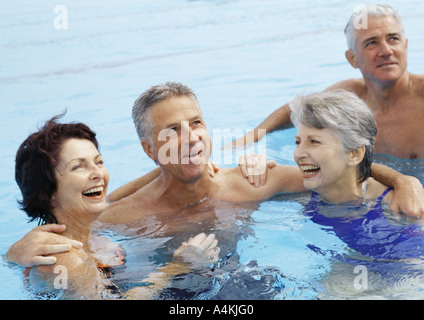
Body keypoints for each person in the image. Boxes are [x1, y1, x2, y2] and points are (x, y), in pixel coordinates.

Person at [7, 82, 424, 269]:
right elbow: (70, 225)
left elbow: (341, 172)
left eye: (197, 123)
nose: (190, 138)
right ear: (149, 149)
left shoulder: (253, 182)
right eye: (172, 130)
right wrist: (14, 254)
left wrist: (403, 181)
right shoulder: (119, 215)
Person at [12, 114, 220, 299]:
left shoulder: (85, 238)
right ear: (49, 192)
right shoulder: (67, 258)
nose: (98, 174)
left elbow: (112, 198)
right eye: (78, 166)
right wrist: (175, 267)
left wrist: (191, 168)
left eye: (99, 162)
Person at [241, 90, 424, 261]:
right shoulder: (307, 189)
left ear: (354, 154)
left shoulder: (398, 204)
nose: (298, 154)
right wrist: (253, 164)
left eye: (314, 141)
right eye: (298, 142)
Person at [231, 4, 424, 160]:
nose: (386, 51)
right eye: (372, 43)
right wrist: (254, 136)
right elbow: (297, 108)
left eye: (393, 39)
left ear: (405, 46)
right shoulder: (350, 95)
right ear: (352, 58)